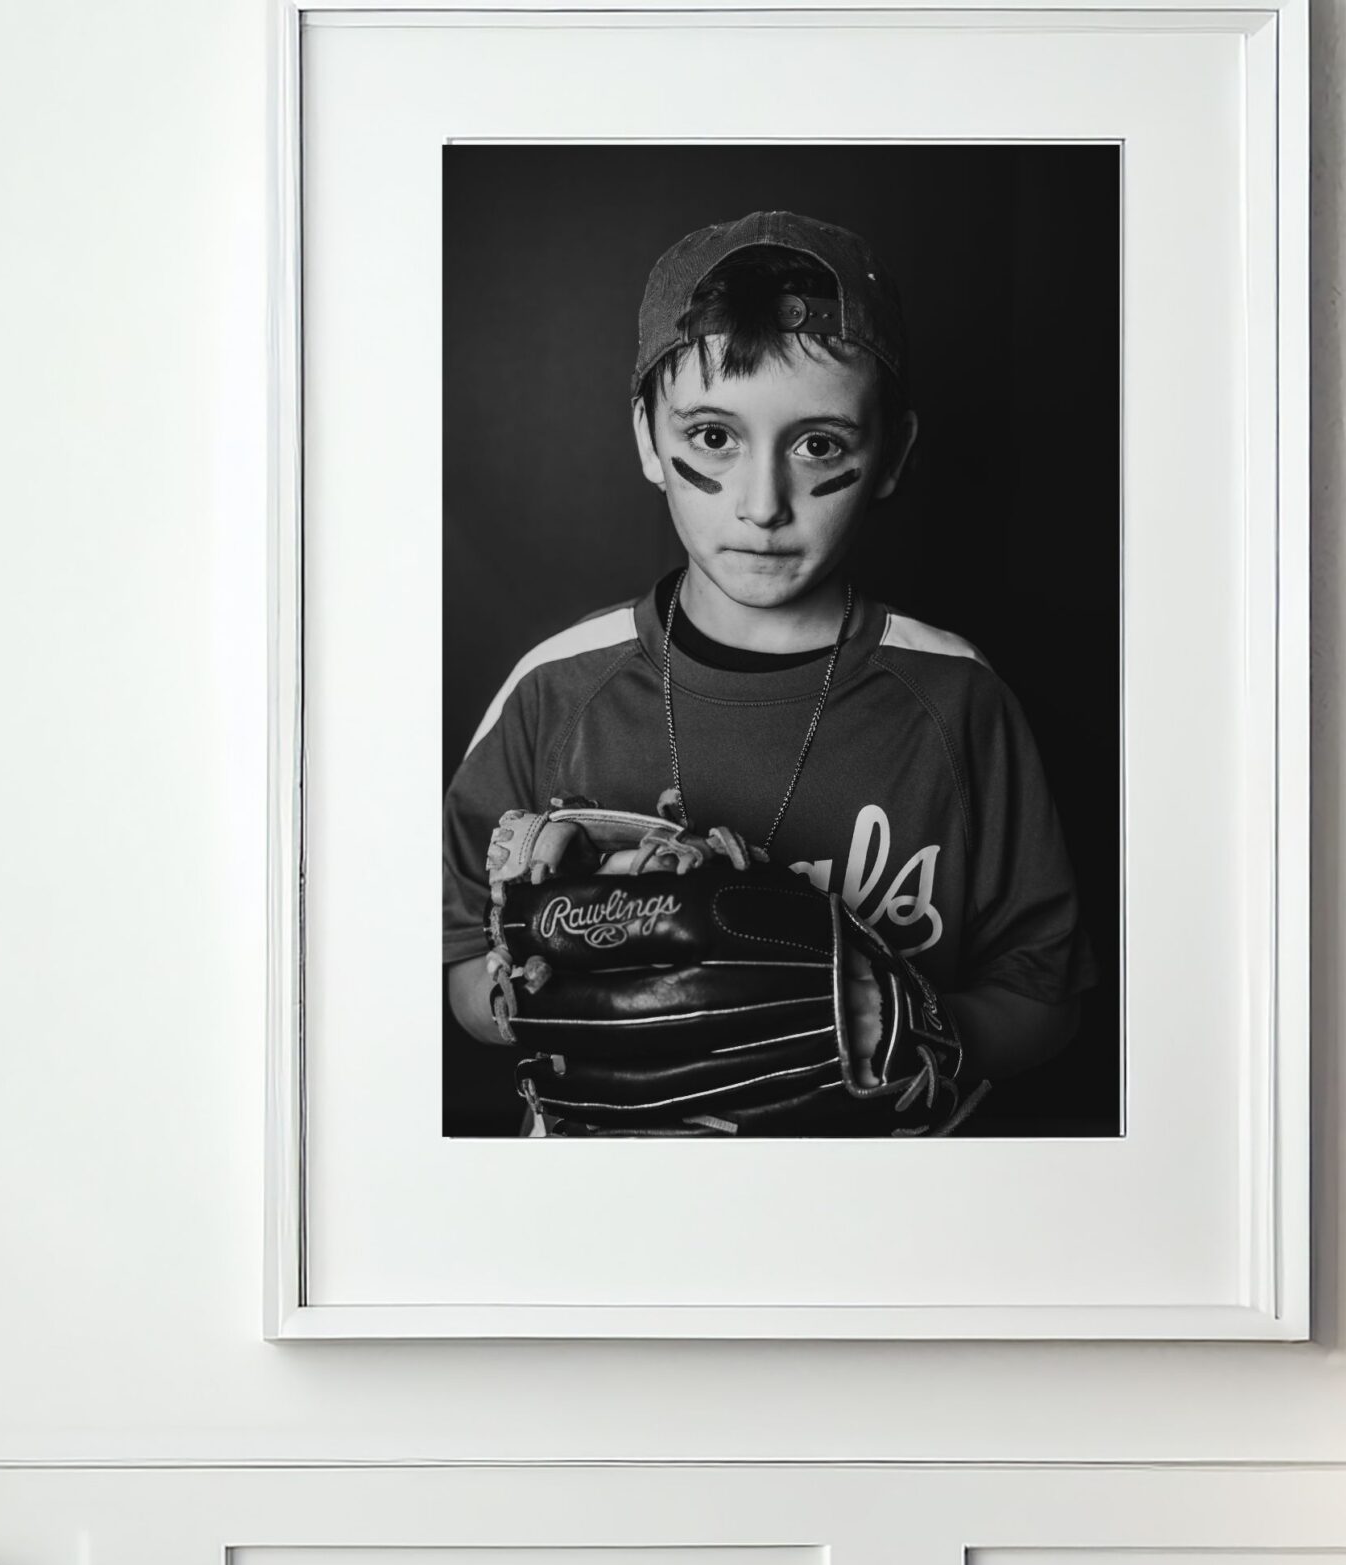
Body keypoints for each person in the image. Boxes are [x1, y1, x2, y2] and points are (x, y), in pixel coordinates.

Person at [443, 209, 1095, 1130]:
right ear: (647, 439)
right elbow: (458, 965)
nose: (763, 504)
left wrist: (905, 1024)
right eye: (713, 436)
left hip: (873, 1202)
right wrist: (540, 987)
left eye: (818, 443)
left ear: (893, 454)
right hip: (607, 1203)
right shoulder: (555, 689)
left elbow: (1045, 998)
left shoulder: (958, 699)